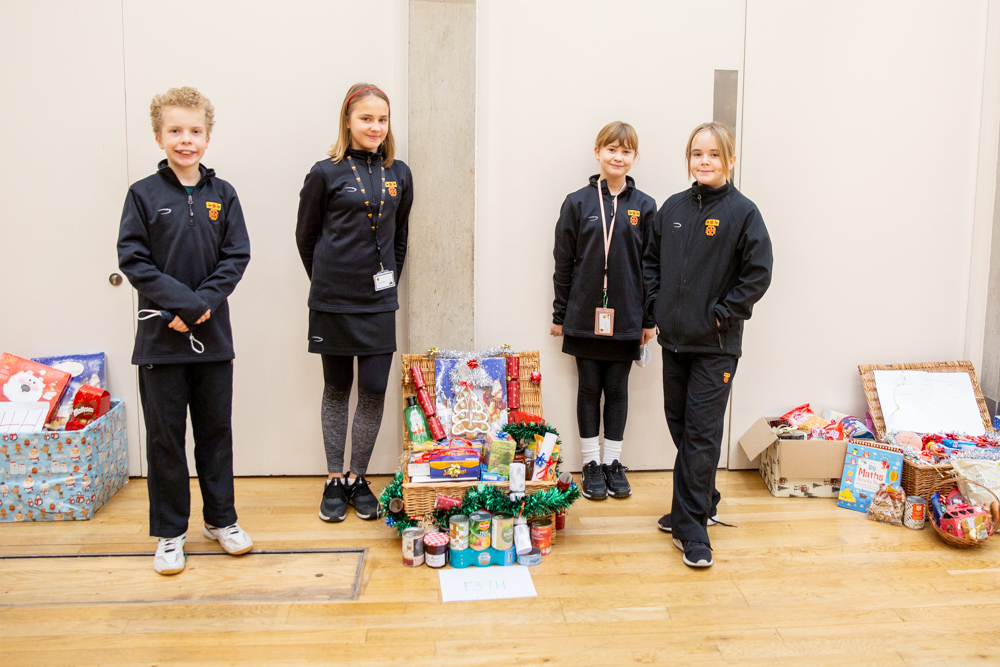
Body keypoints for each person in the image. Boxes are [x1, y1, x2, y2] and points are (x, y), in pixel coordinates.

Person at [118, 87, 253, 575]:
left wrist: (200, 308)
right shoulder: (143, 195)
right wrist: (182, 306)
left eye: (194, 131)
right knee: (165, 439)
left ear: (208, 137)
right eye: (175, 131)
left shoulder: (224, 195)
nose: (185, 140)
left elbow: (236, 257)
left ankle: (221, 520)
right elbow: (134, 260)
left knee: (216, 433)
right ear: (159, 136)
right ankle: (171, 532)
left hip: (213, 341)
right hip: (160, 340)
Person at [643, 121, 772, 568]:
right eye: (698, 154)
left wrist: (723, 312)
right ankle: (703, 498)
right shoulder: (673, 208)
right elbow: (651, 263)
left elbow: (758, 273)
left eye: (714, 154)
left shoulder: (743, 213)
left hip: (716, 347)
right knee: (680, 426)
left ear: (730, 160)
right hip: (674, 341)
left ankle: (692, 528)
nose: (705, 161)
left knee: (700, 435)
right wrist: (656, 304)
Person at [296, 83, 413, 523]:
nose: (375, 127)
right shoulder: (324, 172)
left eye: (382, 119)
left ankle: (358, 477)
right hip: (333, 302)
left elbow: (400, 240)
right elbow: (305, 237)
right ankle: (333, 478)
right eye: (366, 118)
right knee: (337, 389)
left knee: (374, 390)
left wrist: (386, 285)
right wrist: (328, 281)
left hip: (378, 303)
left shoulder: (399, 173)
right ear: (348, 120)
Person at [551, 122, 657, 501]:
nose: (618, 156)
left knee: (617, 389)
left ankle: (614, 462)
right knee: (589, 387)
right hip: (583, 315)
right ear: (597, 152)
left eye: (626, 151)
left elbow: (651, 267)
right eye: (611, 149)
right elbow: (563, 263)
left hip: (627, 317)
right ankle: (591, 463)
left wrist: (649, 319)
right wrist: (559, 314)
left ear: (634, 158)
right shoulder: (577, 202)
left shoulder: (644, 206)